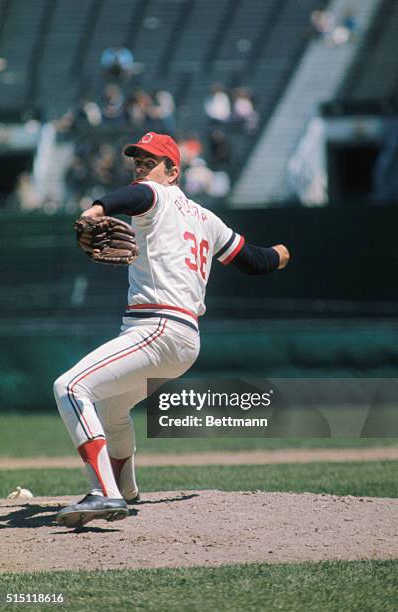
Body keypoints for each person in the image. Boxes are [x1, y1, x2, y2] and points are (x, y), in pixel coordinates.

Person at [53, 132, 290, 527]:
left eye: (150, 161)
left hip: (157, 327)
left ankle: (104, 492)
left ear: (173, 171)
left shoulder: (154, 196)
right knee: (113, 408)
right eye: (137, 160)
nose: (141, 167)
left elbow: (133, 198)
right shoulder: (207, 219)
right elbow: (254, 261)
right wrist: (281, 255)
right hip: (184, 341)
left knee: (70, 387)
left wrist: (95, 211)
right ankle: (125, 489)